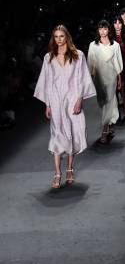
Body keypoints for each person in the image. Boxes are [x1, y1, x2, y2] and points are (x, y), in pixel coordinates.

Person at [34, 25, 96, 189]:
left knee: (72, 133)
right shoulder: (49, 57)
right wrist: (47, 104)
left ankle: (69, 169)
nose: (59, 39)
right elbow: (46, 82)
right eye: (56, 36)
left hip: (72, 98)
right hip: (55, 100)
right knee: (56, 134)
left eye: (61, 36)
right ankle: (57, 174)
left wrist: (79, 99)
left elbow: (82, 78)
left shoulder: (78, 55)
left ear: (67, 37)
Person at [88, 20, 124, 144]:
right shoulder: (93, 45)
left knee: (108, 102)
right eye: (100, 29)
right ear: (98, 30)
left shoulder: (115, 46)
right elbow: (90, 63)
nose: (102, 31)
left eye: (105, 29)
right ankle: (109, 124)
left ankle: (104, 129)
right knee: (104, 103)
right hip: (99, 78)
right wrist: (91, 79)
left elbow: (118, 63)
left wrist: (119, 79)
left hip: (111, 77)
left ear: (109, 30)